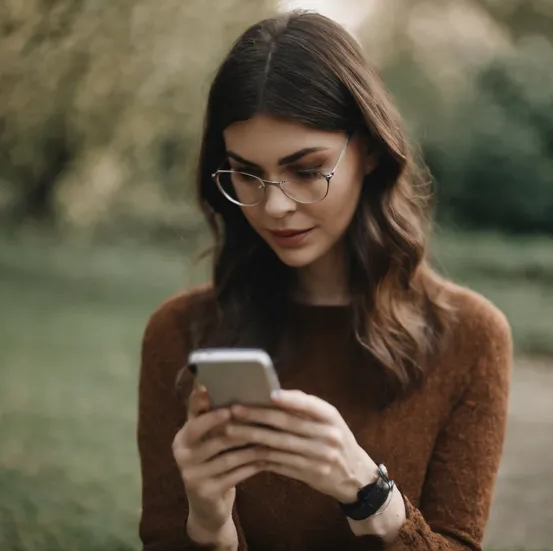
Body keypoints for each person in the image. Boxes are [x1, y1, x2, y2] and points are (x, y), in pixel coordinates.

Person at [137, 10, 512, 551]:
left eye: (307, 170)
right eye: (247, 173)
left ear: (372, 150)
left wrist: (368, 491)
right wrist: (209, 525)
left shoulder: (471, 337)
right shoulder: (179, 333)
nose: (275, 206)